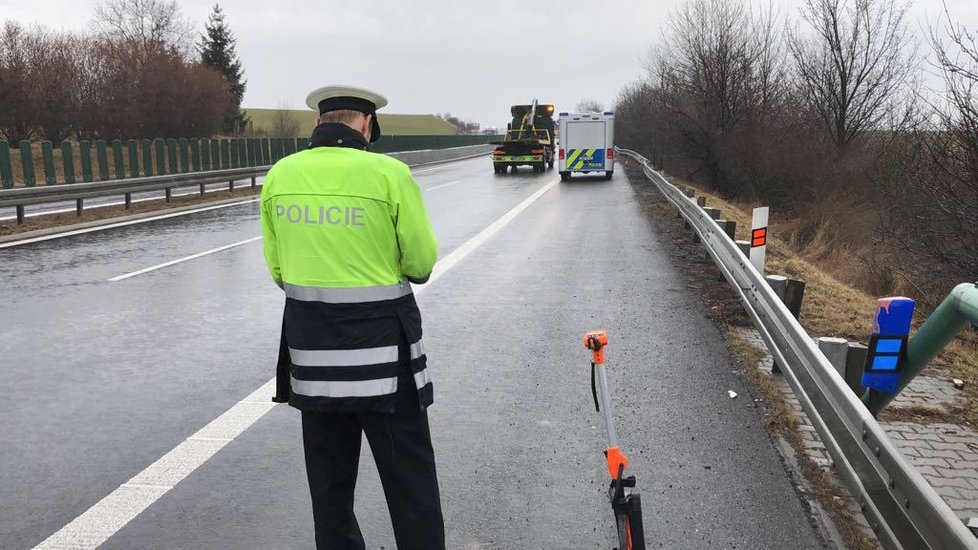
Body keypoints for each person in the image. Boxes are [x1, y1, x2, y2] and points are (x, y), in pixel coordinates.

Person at [260, 85, 445, 550]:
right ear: (366, 124)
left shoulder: (281, 176)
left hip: (315, 363)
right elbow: (420, 264)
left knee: (330, 492)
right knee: (411, 488)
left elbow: (280, 272)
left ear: (318, 124)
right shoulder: (389, 175)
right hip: (387, 368)